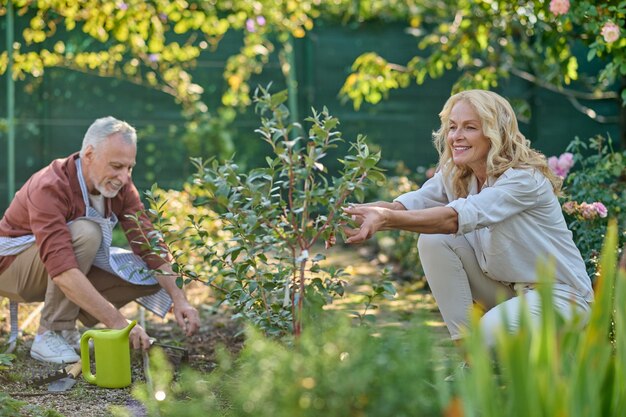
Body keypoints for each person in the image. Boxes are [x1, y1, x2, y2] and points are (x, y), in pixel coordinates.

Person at [343, 90, 594, 345]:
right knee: (433, 241)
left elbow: (452, 219)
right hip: (510, 291)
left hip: (559, 298)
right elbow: (408, 205)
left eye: (470, 127)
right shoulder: (459, 174)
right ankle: (468, 357)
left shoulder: (523, 179)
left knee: (486, 335)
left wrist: (384, 219)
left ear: (495, 133)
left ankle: (527, 356)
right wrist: (349, 215)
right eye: (452, 127)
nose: (456, 137)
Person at [0, 116, 200, 363]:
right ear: (89, 155)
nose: (124, 177)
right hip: (12, 269)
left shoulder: (120, 186)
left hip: (55, 267)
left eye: (129, 167)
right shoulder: (51, 186)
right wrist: (118, 322)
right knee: (87, 232)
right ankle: (49, 333)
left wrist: (180, 299)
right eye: (116, 166)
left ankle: (66, 327)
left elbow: (148, 243)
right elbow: (62, 270)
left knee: (150, 273)